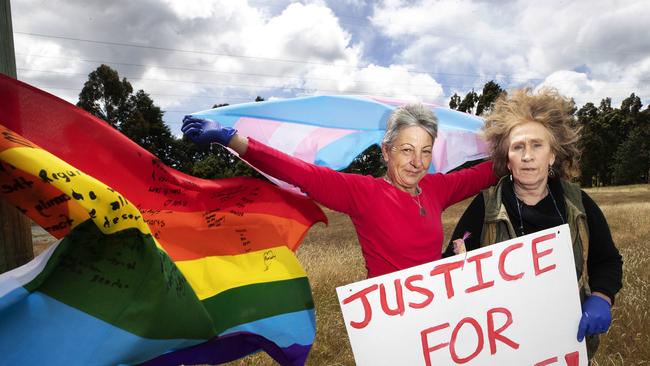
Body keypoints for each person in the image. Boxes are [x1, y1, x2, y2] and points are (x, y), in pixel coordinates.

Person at [182, 103, 497, 278]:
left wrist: (529, 144)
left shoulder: (436, 187)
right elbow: (301, 173)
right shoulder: (363, 192)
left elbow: (487, 172)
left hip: (434, 312)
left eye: (425, 152)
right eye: (406, 150)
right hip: (389, 319)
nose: (417, 163)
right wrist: (233, 139)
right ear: (386, 151)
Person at [444, 88, 623, 359]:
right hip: (504, 345)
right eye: (518, 147)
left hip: (567, 342)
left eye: (537, 145)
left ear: (552, 155)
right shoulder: (485, 206)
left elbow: (607, 259)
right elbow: (451, 265)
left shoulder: (578, 203)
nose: (527, 156)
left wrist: (601, 296)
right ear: (507, 159)